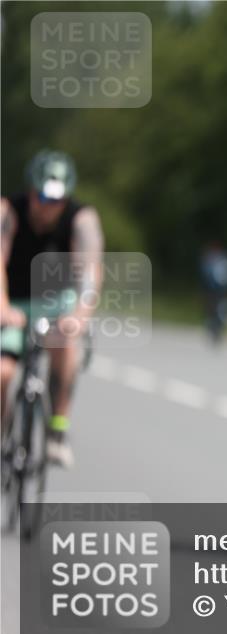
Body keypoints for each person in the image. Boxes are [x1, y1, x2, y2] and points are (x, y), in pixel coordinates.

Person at [0, 150, 105, 468]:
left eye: (57, 200)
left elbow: (90, 272)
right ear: (31, 191)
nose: (48, 206)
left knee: (65, 343)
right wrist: (3, 307)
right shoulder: (8, 211)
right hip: (14, 304)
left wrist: (79, 316)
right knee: (3, 372)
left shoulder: (82, 219)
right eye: (42, 197)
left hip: (57, 304)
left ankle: (57, 430)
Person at [199, 240, 227, 344]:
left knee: (221, 309)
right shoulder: (209, 258)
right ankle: (212, 327)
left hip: (222, 290)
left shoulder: (223, 258)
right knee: (210, 309)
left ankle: (218, 329)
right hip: (210, 289)